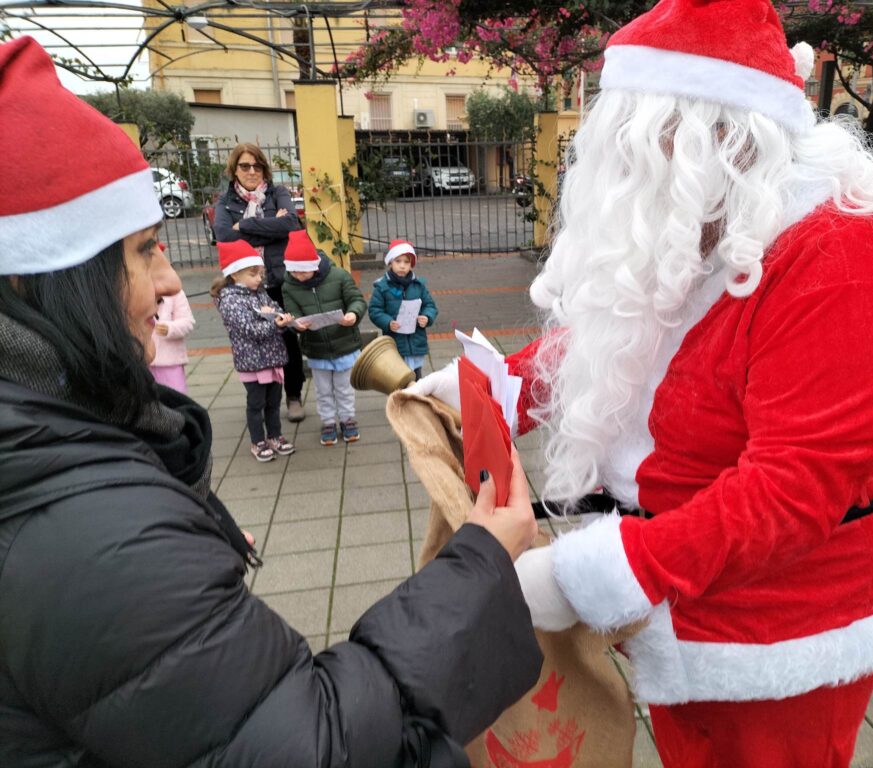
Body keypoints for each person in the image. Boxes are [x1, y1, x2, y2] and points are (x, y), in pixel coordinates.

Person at [410, 0, 873, 765]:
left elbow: (793, 489)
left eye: (642, 150)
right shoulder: (714, 215)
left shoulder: (846, 270)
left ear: (720, 139)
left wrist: (590, 576)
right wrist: (501, 388)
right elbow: (627, 331)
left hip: (786, 622)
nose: (625, 177)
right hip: (685, 587)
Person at [0, 36, 542, 768]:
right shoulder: (92, 541)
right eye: (146, 248)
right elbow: (315, 744)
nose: (170, 281)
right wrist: (480, 564)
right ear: (44, 276)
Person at [213, 142, 307, 422]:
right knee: (253, 340)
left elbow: (291, 224)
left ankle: (293, 395)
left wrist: (244, 225)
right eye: (245, 166)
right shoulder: (225, 202)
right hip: (244, 288)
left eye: (257, 166)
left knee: (287, 338)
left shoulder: (278, 193)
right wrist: (271, 227)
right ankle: (263, 398)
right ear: (235, 169)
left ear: (264, 168)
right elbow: (223, 236)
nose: (252, 171)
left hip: (277, 281)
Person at [211, 240, 297, 462]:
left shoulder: (259, 292)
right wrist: (274, 323)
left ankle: (275, 436)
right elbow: (249, 330)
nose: (259, 279)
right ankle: (257, 441)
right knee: (256, 404)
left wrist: (283, 318)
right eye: (253, 274)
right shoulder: (230, 300)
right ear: (235, 274)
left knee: (274, 402)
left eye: (260, 274)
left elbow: (275, 309)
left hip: (272, 357)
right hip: (252, 361)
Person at [281, 230, 366, 446]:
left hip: (344, 343)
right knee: (323, 390)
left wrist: (353, 314)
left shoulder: (339, 276)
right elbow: (293, 311)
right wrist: (296, 324)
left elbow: (356, 299)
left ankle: (348, 419)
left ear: (314, 265)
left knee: (344, 389)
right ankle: (328, 422)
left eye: (303, 271)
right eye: (294, 271)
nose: (298, 276)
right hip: (316, 348)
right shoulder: (289, 285)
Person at [369, 239, 438, 380]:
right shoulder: (382, 287)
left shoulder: (418, 286)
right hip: (395, 344)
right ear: (390, 262)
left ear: (411, 264)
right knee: (397, 381)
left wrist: (426, 317)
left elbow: (430, 305)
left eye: (406, 262)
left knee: (417, 380)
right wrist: (388, 322)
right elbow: (375, 310)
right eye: (398, 261)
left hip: (416, 343)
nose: (402, 266)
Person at [148, 244, 195, 394]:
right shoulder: (136, 292)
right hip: (143, 361)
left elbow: (188, 322)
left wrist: (170, 328)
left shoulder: (175, 294)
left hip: (170, 360)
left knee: (176, 397)